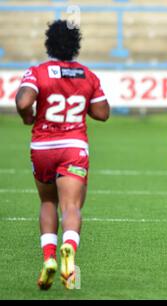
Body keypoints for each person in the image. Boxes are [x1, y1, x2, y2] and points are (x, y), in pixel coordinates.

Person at [15, 20, 110, 289]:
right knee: (71, 206)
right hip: (73, 146)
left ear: (49, 44)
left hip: (43, 146)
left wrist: (27, 117)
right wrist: (81, 105)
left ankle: (48, 259)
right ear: (76, 46)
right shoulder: (87, 75)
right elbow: (102, 113)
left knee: (48, 203)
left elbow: (23, 102)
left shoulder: (38, 72)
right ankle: (68, 249)